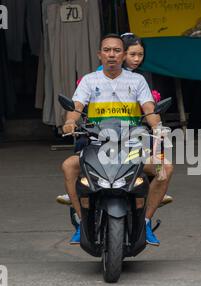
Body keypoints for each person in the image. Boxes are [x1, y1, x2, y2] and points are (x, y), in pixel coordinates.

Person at [62, 34, 173, 246]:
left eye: (116, 51)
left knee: (164, 169)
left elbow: (149, 108)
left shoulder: (137, 80)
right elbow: (76, 107)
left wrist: (157, 126)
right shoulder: (89, 80)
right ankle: (81, 221)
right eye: (107, 50)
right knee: (69, 166)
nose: (111, 55)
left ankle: (146, 221)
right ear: (99, 54)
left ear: (123, 55)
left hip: (131, 146)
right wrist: (70, 122)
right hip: (96, 145)